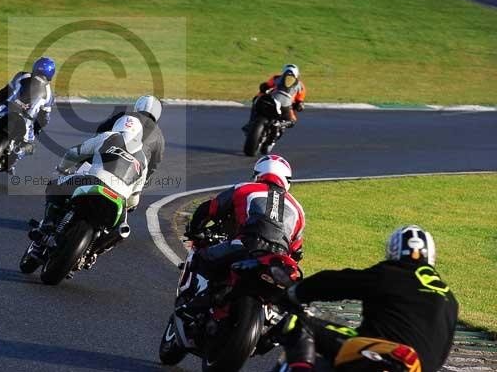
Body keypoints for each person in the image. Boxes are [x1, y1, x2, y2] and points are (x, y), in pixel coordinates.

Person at [273, 225, 458, 372]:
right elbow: (441, 355)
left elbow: (335, 283)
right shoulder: (450, 300)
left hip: (377, 352)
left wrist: (295, 292)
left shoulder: (391, 273)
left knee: (299, 323)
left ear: (393, 251)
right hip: (417, 367)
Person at [180, 154, 305, 315]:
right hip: (279, 260)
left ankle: (193, 307)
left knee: (200, 258)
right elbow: (297, 250)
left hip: (247, 246)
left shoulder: (246, 189)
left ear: (257, 174)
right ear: (287, 181)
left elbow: (209, 208)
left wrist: (195, 231)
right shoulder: (298, 209)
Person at [27, 114, 149, 262]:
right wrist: (129, 205)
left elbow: (75, 153)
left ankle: (47, 224)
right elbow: (135, 198)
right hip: (119, 199)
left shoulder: (108, 136)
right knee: (122, 231)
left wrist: (61, 169)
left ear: (118, 126)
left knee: (55, 185)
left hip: (93, 181)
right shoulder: (144, 161)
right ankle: (92, 254)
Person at [0, 57, 55, 156]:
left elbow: (6, 91)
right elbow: (44, 117)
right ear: (51, 73)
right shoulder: (50, 94)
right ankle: (17, 153)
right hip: (27, 119)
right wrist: (37, 128)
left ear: (35, 67)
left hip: (8, 108)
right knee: (31, 145)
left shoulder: (22, 75)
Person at [95, 95, 164, 180]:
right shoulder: (159, 135)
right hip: (132, 173)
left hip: (107, 159)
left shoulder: (124, 115)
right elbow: (154, 165)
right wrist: (144, 181)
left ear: (137, 107)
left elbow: (100, 130)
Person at [243, 64, 306, 132]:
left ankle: (250, 123)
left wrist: (262, 90)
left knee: (256, 100)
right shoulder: (301, 85)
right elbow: (300, 102)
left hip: (272, 100)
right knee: (292, 121)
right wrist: (298, 106)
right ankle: (280, 124)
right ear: (297, 73)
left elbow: (264, 86)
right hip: (286, 106)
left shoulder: (276, 78)